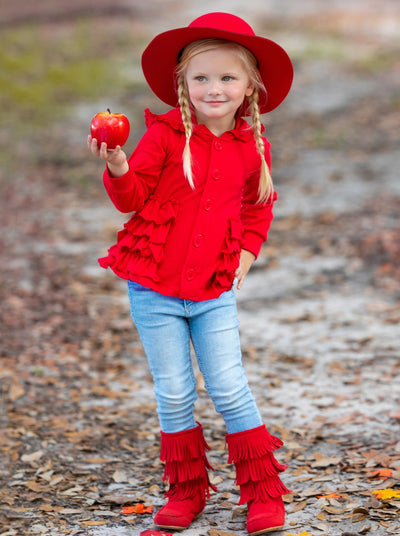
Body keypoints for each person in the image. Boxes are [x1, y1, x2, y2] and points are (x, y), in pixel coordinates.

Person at [88, 12, 293, 535]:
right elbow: (131, 201)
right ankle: (186, 491)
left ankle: (263, 495)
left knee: (229, 385)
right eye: (201, 78)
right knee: (175, 391)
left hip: (213, 290)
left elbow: (258, 207)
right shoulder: (164, 138)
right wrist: (117, 166)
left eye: (227, 77)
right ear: (184, 84)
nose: (214, 88)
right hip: (153, 288)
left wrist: (246, 255)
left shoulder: (253, 146)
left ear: (251, 86)